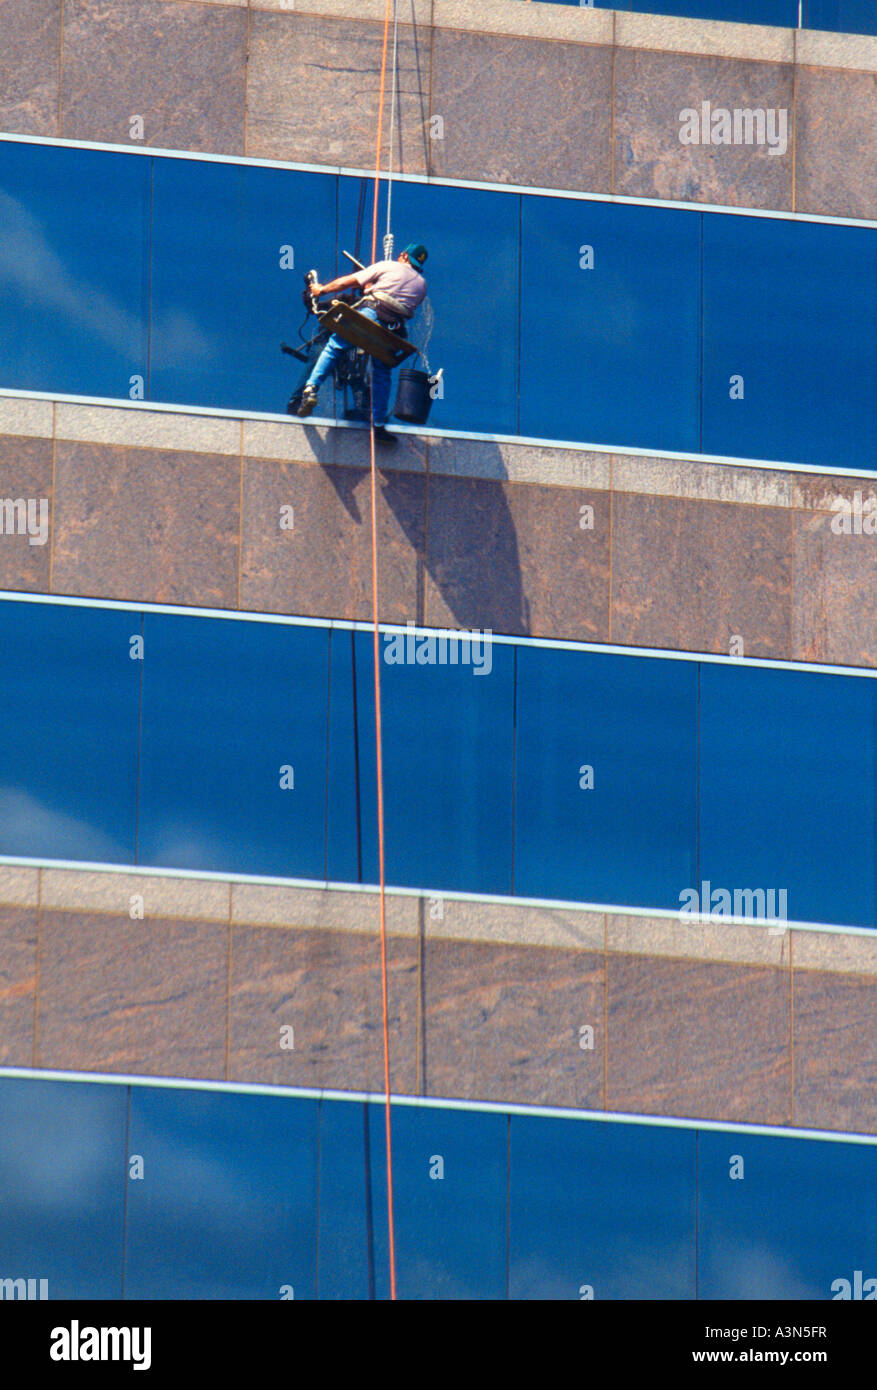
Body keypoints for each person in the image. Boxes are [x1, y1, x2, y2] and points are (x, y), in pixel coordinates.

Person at [297, 242, 428, 443]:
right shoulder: (422, 285)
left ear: (403, 255)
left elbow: (348, 282)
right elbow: (401, 301)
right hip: (392, 330)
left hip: (371, 314)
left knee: (335, 346)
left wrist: (321, 290)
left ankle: (310, 389)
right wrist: (372, 288)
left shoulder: (389, 266)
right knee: (382, 372)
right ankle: (378, 425)